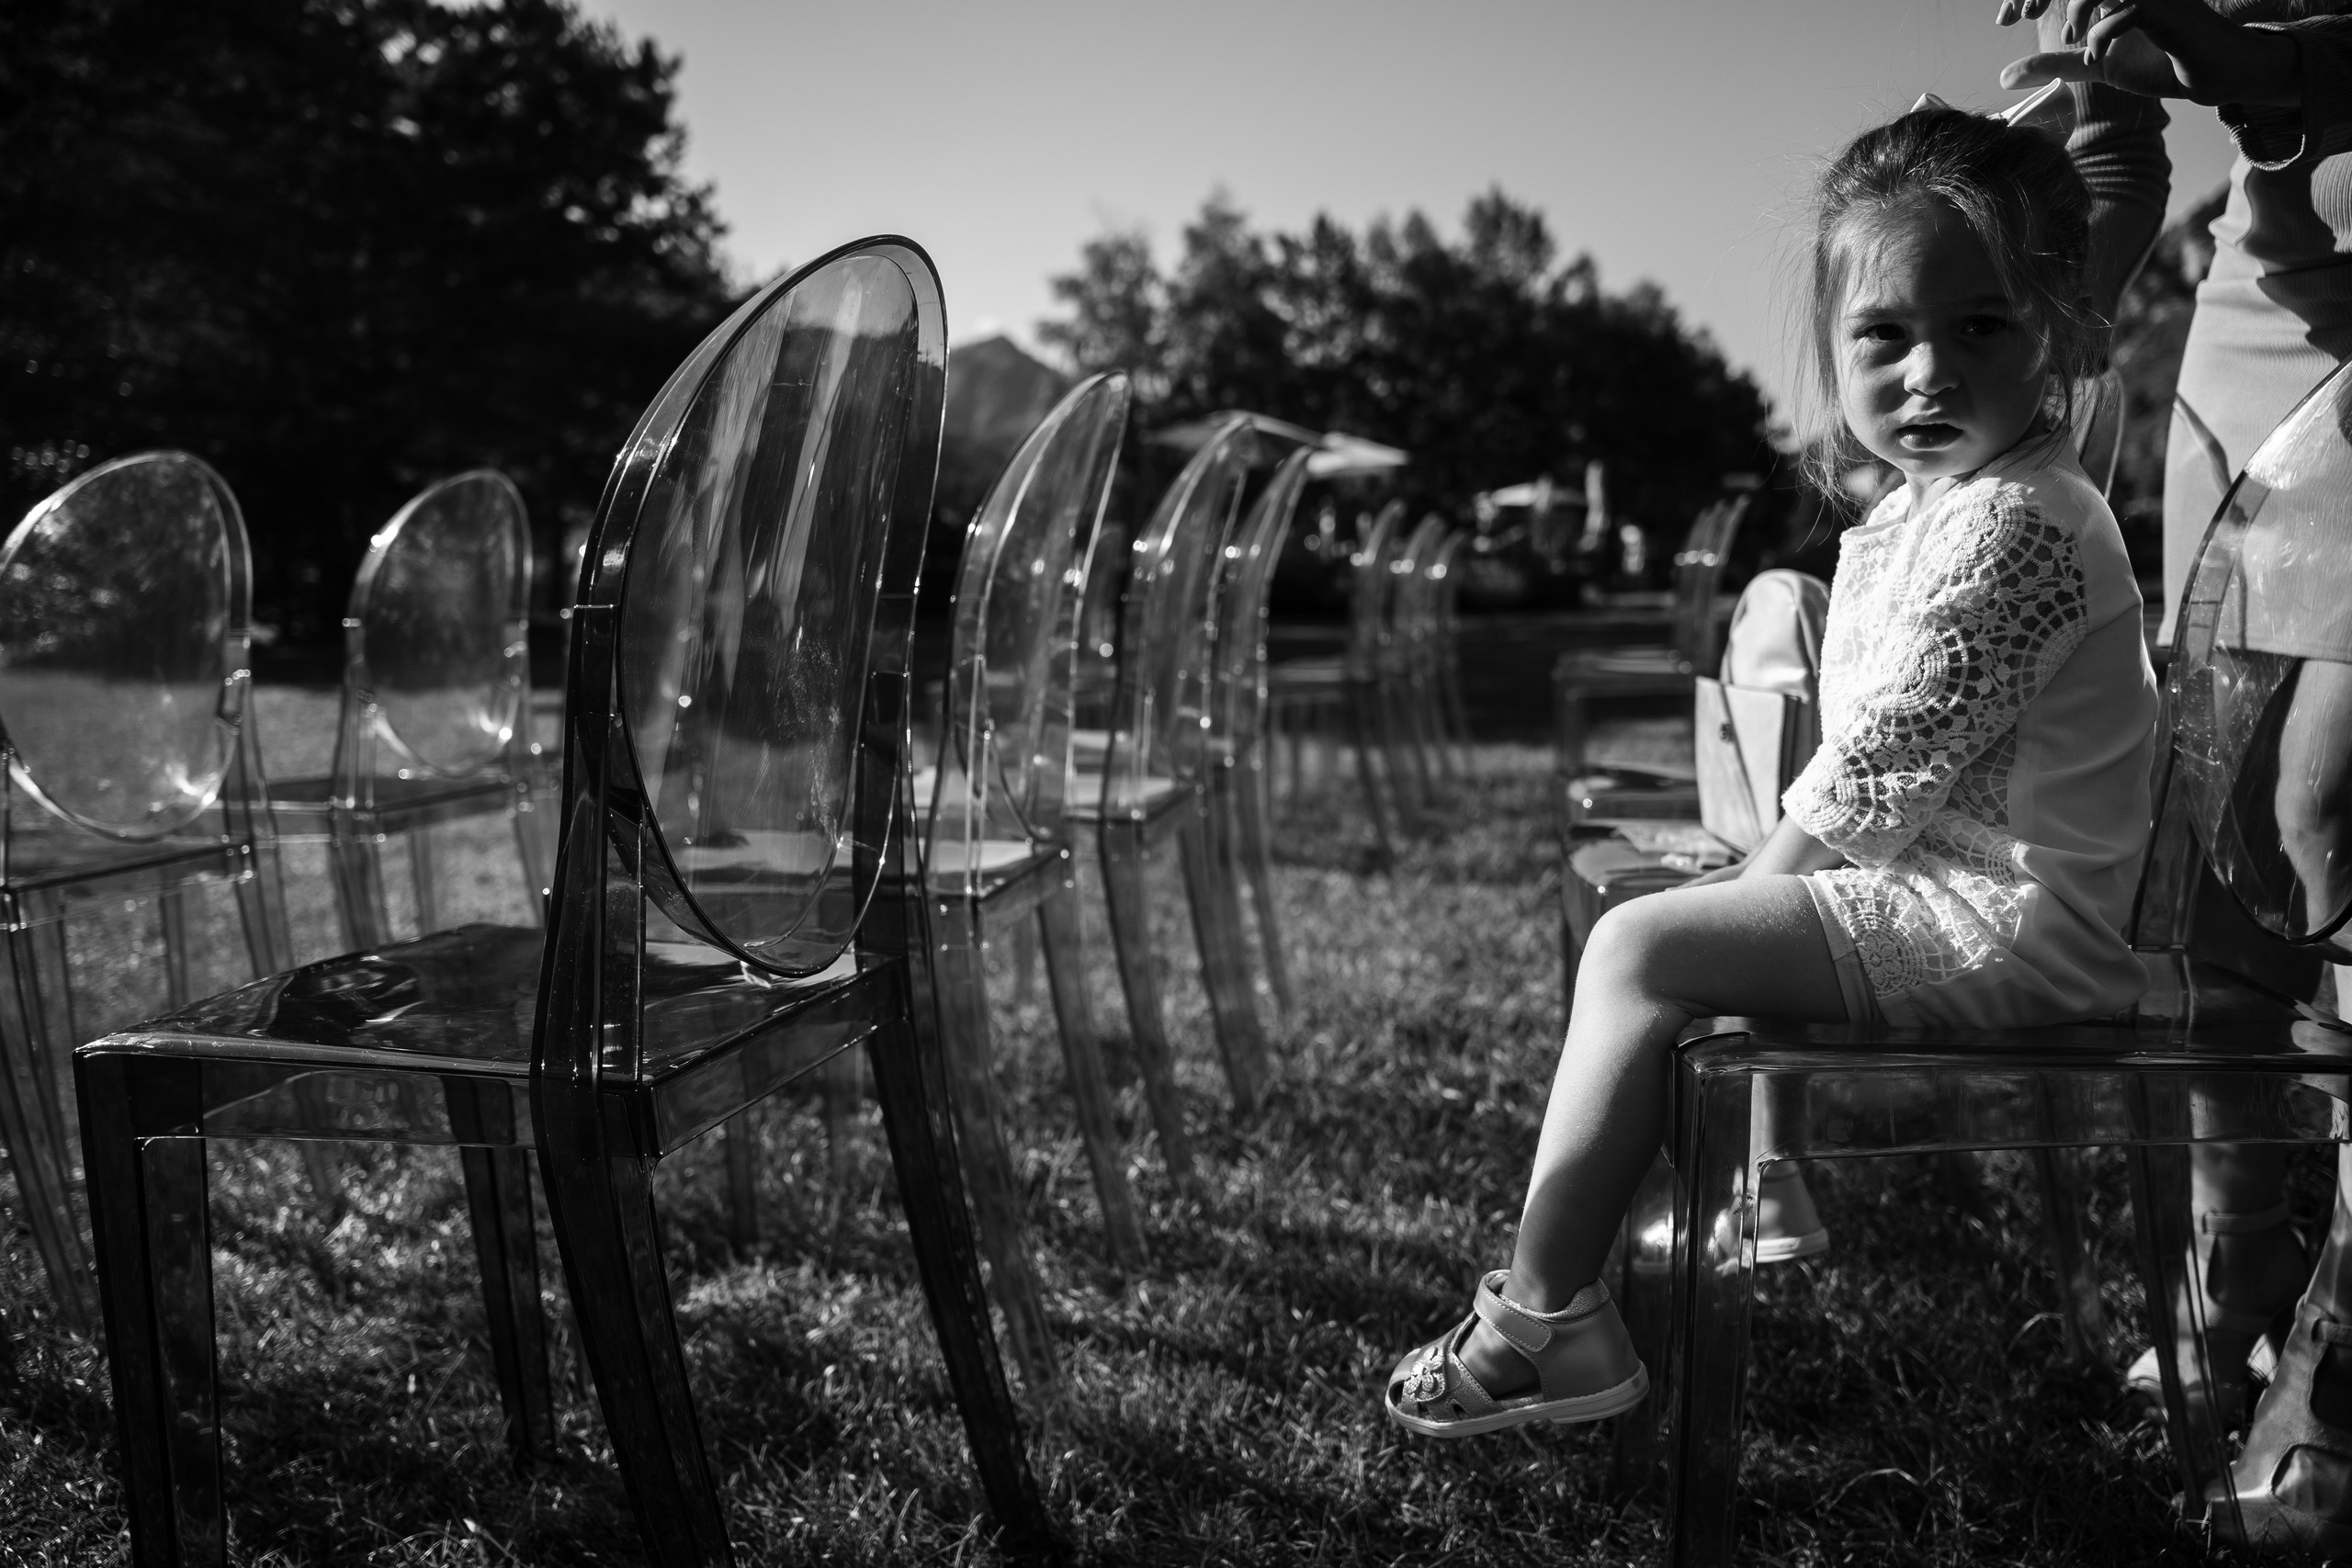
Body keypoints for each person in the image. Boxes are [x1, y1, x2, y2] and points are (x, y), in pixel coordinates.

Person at [1383, 103, 2160, 1438]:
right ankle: (1746, 1194)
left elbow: (1880, 774)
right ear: (1834, 349)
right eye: (1885, 335)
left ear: (2058, 335)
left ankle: (1542, 1322)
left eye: (1980, 326)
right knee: (1674, 919)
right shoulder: (1941, 506)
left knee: (1643, 948)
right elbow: (1871, 770)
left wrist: (1761, 872)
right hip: (1945, 890)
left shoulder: (2023, 523)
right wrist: (1760, 865)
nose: (1926, 372)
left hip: (2015, 924)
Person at [1999, 2, 2352, 1549]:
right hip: (2266, 297)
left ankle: (2342, 1366)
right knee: (2225, 834)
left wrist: (2282, 69)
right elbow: (2125, 145)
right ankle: (2239, 1268)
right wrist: (2102, 114)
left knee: (2333, 818)